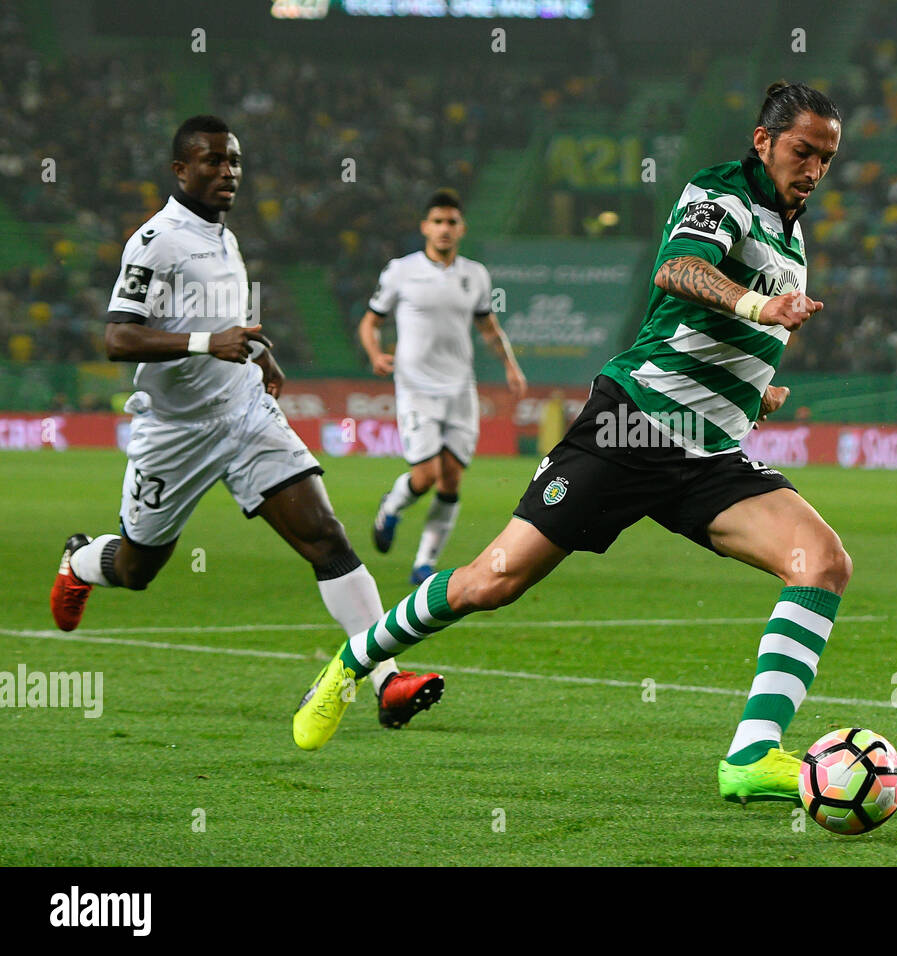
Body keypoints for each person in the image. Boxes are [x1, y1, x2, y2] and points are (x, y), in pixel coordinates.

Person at [294, 82, 849, 807]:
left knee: (823, 562)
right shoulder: (719, 194)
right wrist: (758, 304)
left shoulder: (792, 229)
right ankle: (348, 662)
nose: (812, 169)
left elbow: (730, 337)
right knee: (494, 580)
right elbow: (678, 271)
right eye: (802, 151)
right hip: (631, 428)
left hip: (709, 452)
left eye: (826, 159)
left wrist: (754, 389)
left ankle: (750, 755)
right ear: (762, 141)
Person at [48, 115, 443, 730]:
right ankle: (79, 561)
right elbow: (117, 338)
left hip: (244, 413)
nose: (227, 172)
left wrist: (260, 352)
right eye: (211, 161)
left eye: (232, 161)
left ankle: (387, 684)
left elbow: (225, 318)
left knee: (326, 538)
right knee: (136, 568)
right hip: (175, 434)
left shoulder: (226, 237)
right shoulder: (154, 242)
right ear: (181, 170)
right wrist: (210, 342)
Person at [360, 189, 526, 585]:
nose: (444, 229)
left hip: (460, 390)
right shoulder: (401, 271)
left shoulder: (475, 275)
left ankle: (424, 563)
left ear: (461, 228)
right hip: (416, 388)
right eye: (437, 222)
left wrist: (510, 366)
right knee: (426, 476)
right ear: (425, 228)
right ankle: (393, 505)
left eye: (451, 222)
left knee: (452, 478)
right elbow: (371, 322)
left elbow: (488, 326)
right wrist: (375, 354)